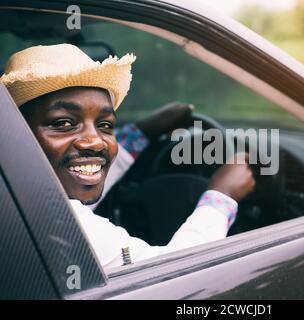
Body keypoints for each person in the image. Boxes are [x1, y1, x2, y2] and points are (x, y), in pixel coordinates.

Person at [0, 43, 255, 270]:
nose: (96, 142)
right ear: (12, 134)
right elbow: (170, 273)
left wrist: (142, 131)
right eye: (64, 123)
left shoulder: (19, 199)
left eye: (105, 125)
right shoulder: (64, 225)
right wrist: (222, 196)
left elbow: (74, 178)